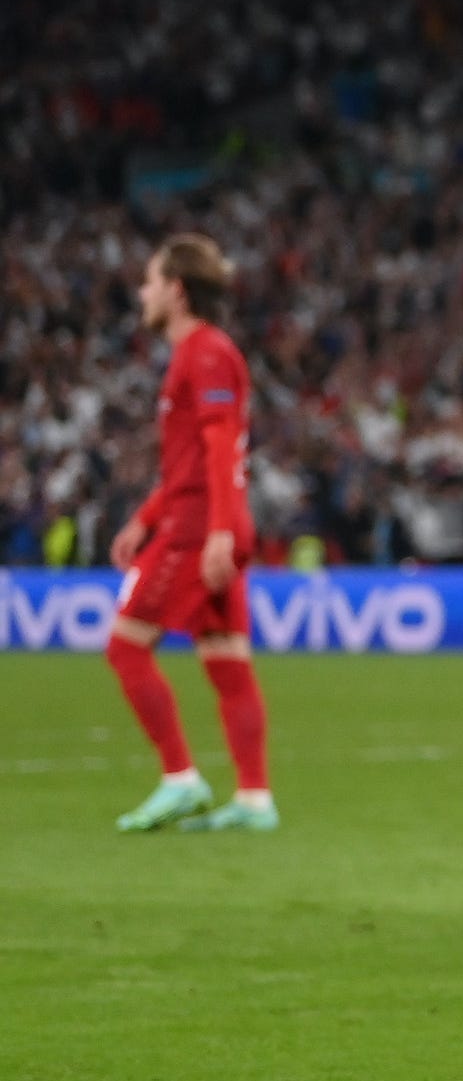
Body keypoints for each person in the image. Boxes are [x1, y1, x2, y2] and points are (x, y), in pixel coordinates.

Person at [104, 233, 277, 834]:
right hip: (203, 522)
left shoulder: (203, 354)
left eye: (151, 281)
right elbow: (188, 464)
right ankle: (255, 799)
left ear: (177, 291)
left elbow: (219, 447)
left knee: (125, 648)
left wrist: (219, 534)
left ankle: (180, 778)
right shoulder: (200, 353)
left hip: (200, 530)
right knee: (227, 661)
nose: (143, 292)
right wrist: (144, 517)